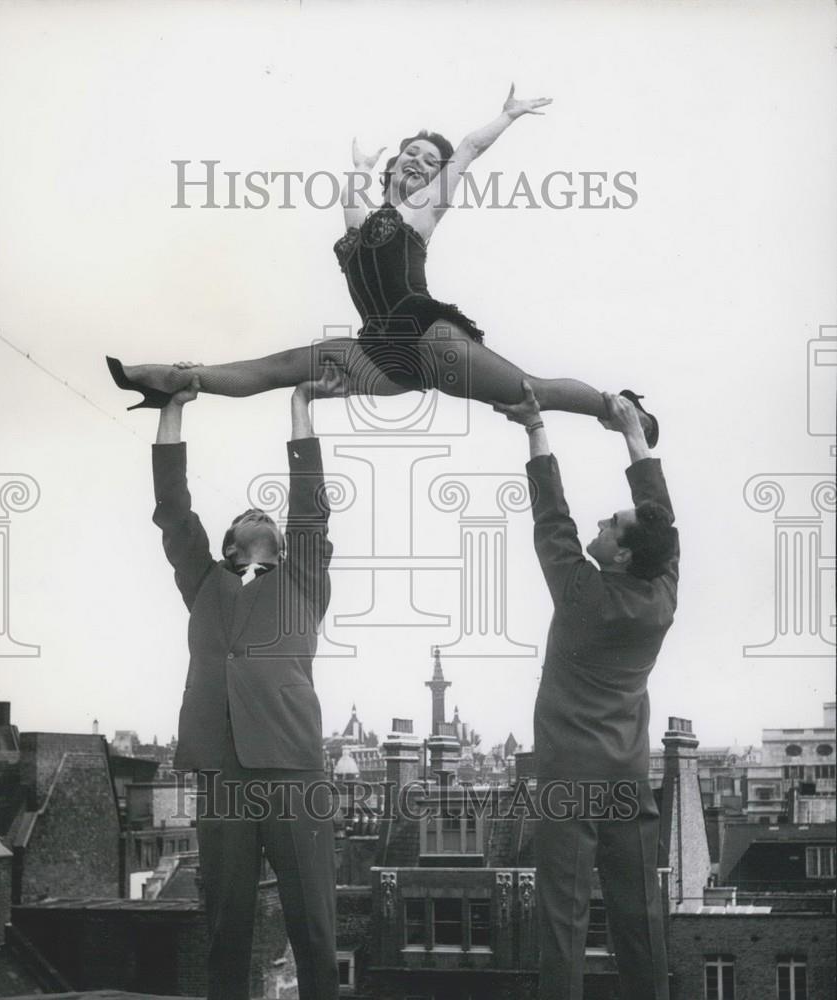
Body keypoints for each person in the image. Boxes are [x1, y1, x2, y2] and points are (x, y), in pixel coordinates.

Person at [107, 85, 657, 445]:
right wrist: (359, 168)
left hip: (424, 333)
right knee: (283, 367)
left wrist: (505, 117)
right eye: (411, 155)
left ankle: (617, 407)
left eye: (429, 161)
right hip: (379, 352)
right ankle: (178, 379)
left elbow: (465, 149)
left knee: (526, 390)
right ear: (395, 165)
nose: (420, 163)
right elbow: (352, 202)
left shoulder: (423, 210)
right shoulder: (362, 220)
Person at [152, 364, 347, 1000]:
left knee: (313, 927)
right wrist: (172, 411)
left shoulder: (303, 582)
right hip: (223, 774)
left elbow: (310, 506)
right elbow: (174, 513)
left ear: (282, 545)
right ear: (232, 545)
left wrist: (299, 408)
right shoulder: (203, 583)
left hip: (293, 770)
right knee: (227, 928)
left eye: (270, 515)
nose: (260, 512)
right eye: (246, 515)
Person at [492, 384, 678, 999]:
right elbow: (658, 518)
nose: (600, 523)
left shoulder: (581, 594)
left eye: (610, 526)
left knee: (562, 921)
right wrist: (632, 435)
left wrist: (534, 426)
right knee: (639, 915)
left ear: (621, 556)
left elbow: (553, 518)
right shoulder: (660, 595)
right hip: (626, 775)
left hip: (569, 778)